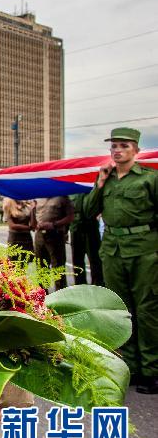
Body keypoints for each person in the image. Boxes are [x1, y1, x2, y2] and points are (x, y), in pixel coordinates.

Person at [83, 127, 158, 394]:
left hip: (144, 250)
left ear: (136, 150)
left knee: (147, 309)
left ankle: (151, 370)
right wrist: (100, 183)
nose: (117, 150)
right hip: (113, 250)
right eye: (114, 146)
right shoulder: (106, 179)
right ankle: (132, 367)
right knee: (122, 310)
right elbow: (88, 211)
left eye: (124, 146)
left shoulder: (150, 178)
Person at [31, 196, 74, 291]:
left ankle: (60, 295)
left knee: (58, 268)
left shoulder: (62, 196)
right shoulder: (37, 197)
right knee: (41, 267)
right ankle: (43, 294)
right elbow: (33, 224)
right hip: (40, 235)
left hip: (56, 234)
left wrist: (53, 224)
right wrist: (32, 209)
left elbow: (70, 217)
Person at [69, 192, 104, 285]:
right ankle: (80, 287)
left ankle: (98, 286)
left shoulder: (92, 190)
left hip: (91, 229)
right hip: (75, 229)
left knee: (95, 260)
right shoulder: (71, 192)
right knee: (77, 261)